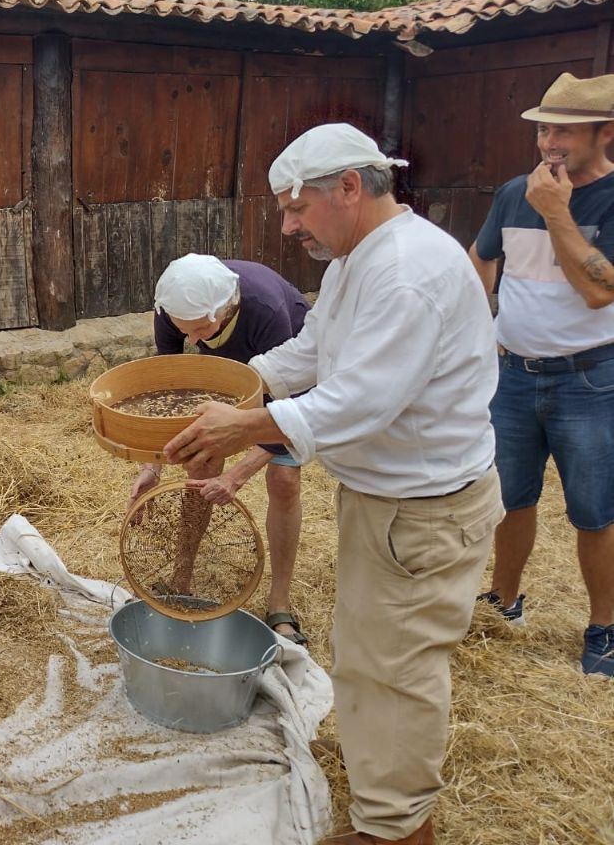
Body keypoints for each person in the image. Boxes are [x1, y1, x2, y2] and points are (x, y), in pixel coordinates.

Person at [164, 124, 503, 845]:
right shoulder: (361, 257)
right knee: (369, 652)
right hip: (386, 501)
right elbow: (314, 350)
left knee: (396, 671)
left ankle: (397, 830)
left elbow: (358, 401)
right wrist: (237, 386)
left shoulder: (407, 271)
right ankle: (384, 787)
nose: (287, 228)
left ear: (349, 188)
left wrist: (241, 428)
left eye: (296, 209)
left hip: (422, 510)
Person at [468, 72, 614, 676]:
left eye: (564, 131)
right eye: (543, 129)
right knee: (509, 497)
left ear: (605, 133)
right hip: (514, 377)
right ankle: (505, 600)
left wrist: (556, 212)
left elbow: (599, 293)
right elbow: (479, 264)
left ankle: (604, 627)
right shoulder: (510, 194)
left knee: (594, 511)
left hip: (591, 380)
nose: (549, 142)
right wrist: (485, 335)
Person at [130, 253, 311, 645]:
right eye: (185, 331)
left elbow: (289, 408)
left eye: (201, 329)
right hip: (222, 382)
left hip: (285, 384)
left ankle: (279, 602)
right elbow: (167, 387)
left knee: (283, 479)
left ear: (226, 306)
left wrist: (238, 475)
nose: (193, 341)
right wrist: (152, 465)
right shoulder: (175, 308)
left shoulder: (267, 311)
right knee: (200, 468)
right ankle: (181, 578)